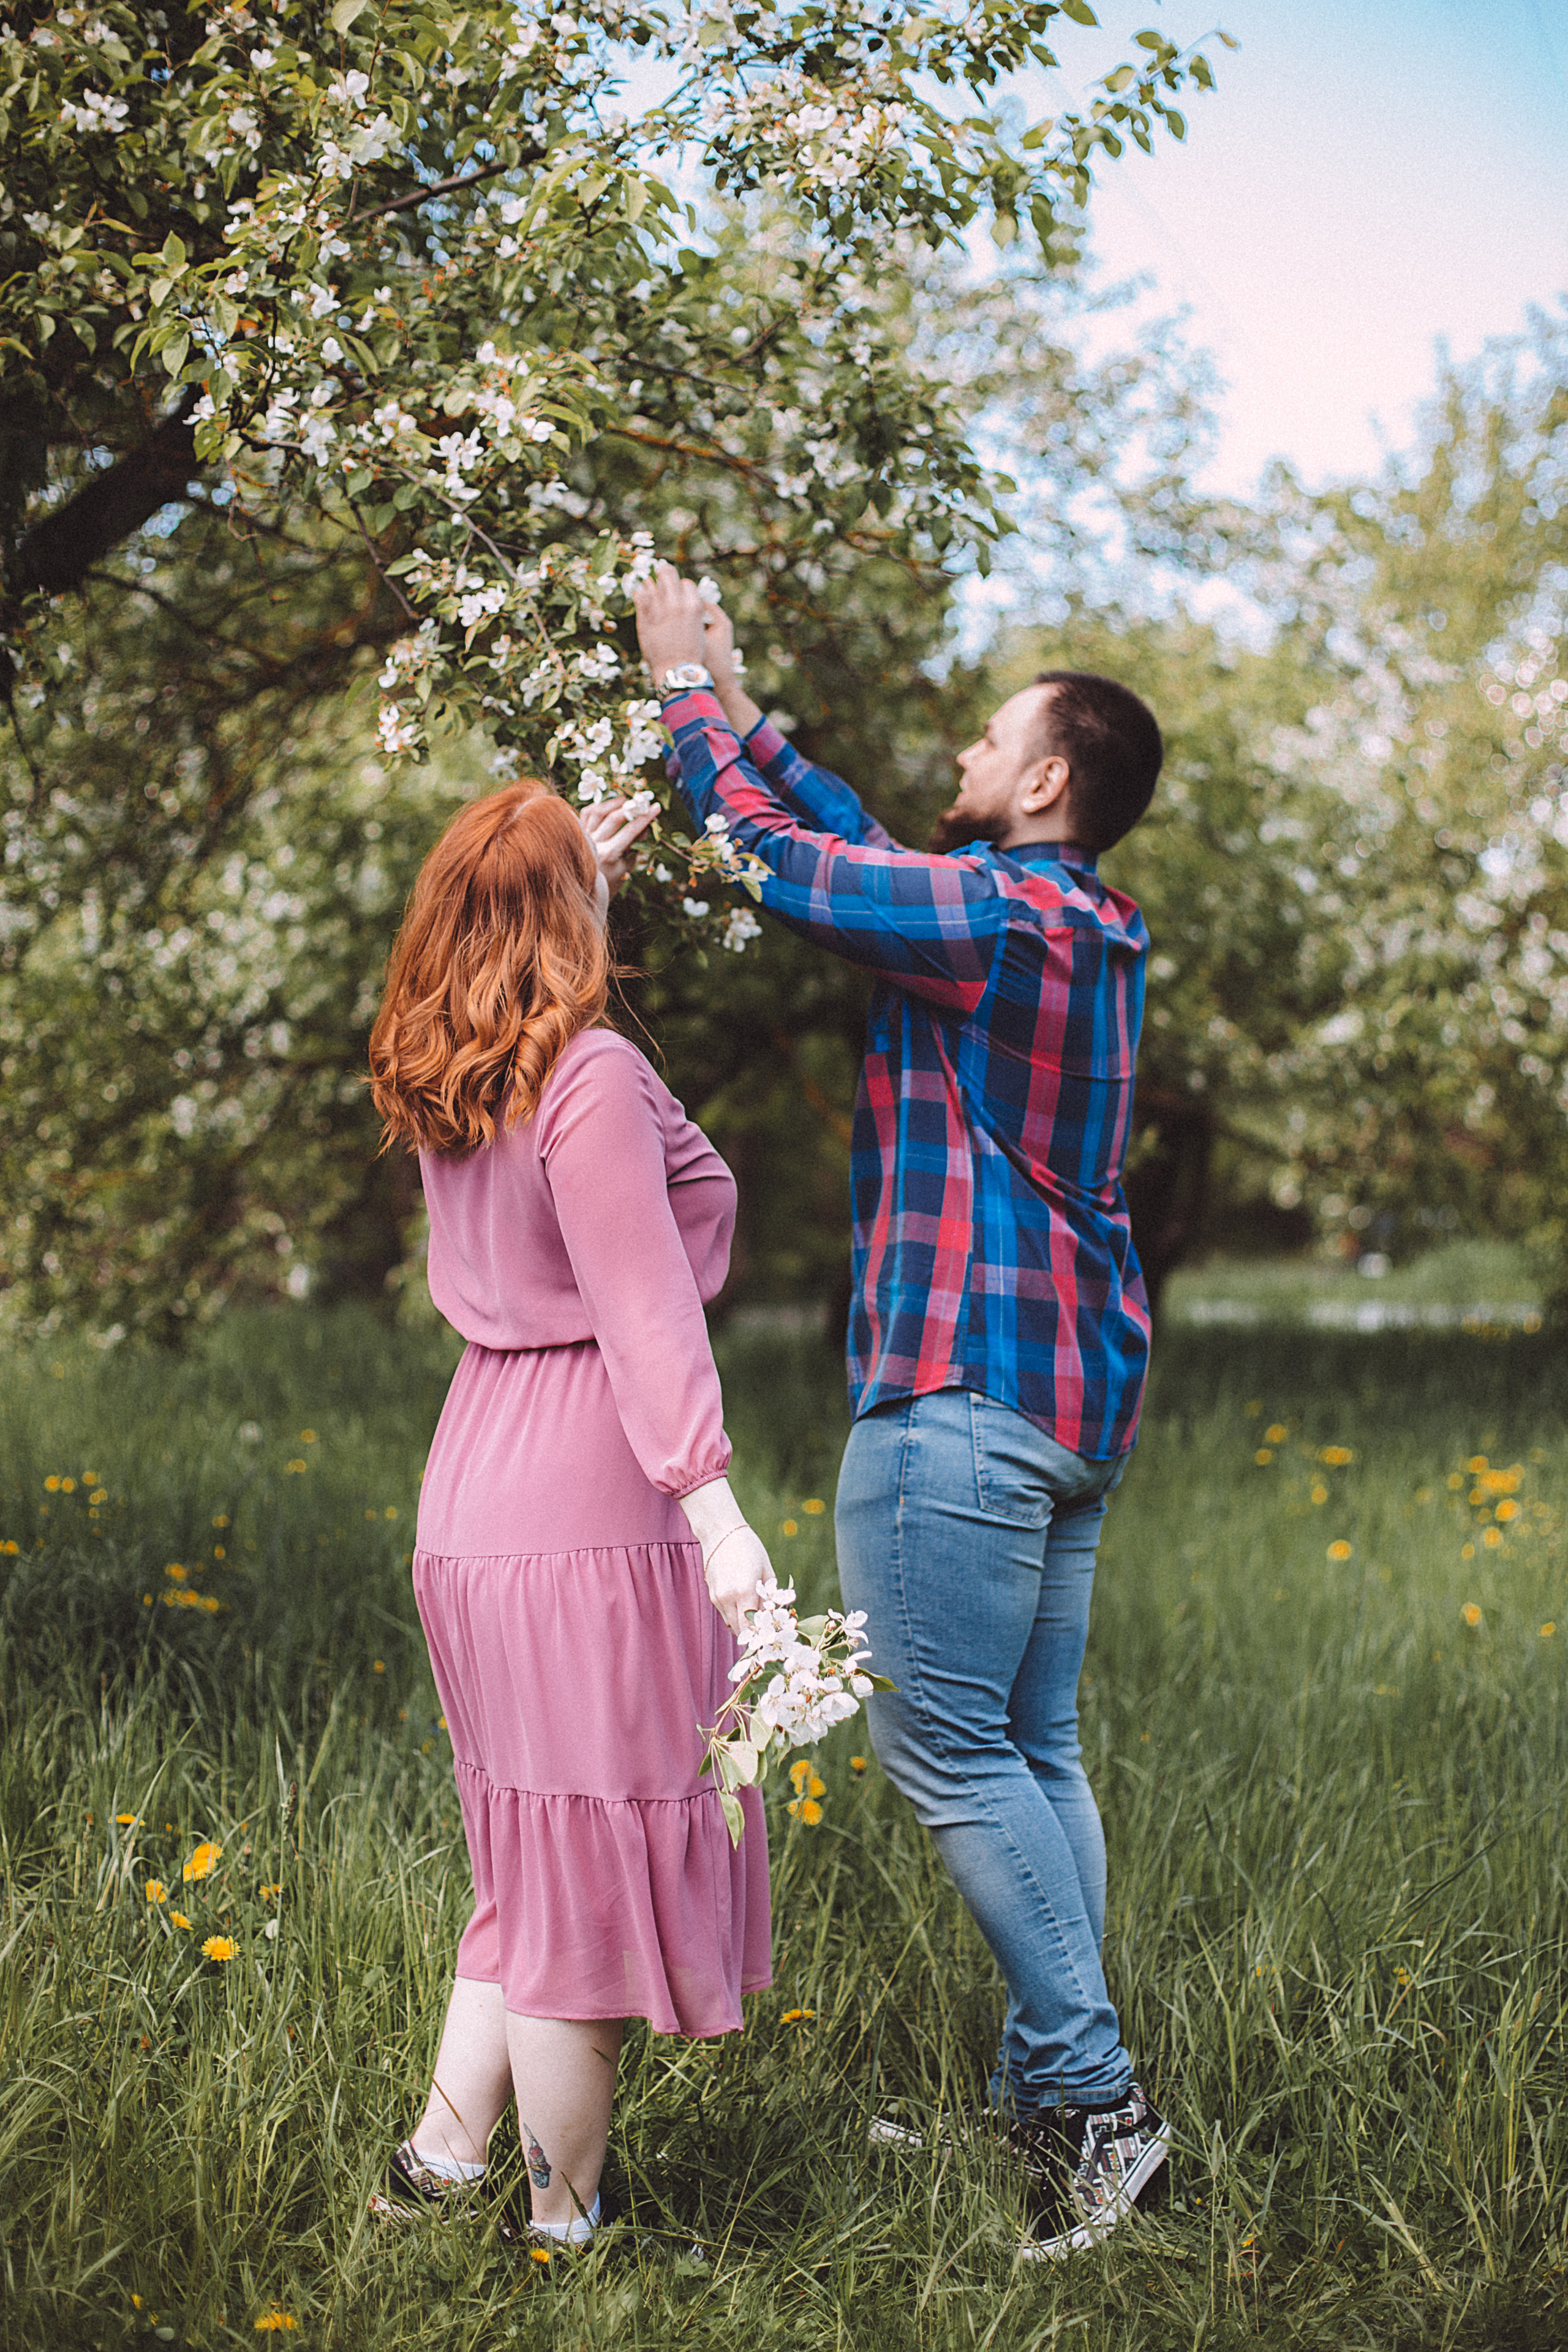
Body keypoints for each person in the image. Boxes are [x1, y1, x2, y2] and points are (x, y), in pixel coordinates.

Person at [633, 565, 1168, 2260]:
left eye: (993, 732)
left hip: (958, 1391)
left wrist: (679, 702)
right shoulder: (1062, 921)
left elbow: (788, 866)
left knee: (945, 1751)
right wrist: (750, 701)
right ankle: (1053, 2102)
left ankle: (1096, 2107)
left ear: (1049, 781)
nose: (968, 739)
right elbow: (865, 841)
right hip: (1066, 1399)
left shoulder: (996, 924)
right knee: (1033, 1750)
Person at [365, 778, 773, 2248]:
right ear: (563, 922)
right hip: (590, 1488)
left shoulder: (456, 1067)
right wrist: (715, 1513)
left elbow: (526, 962)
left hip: (475, 1484)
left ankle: (441, 2161)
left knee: (532, 1856)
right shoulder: (586, 1073)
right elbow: (647, 1310)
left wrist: (565, 875)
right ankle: (564, 2228)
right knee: (586, 1884)